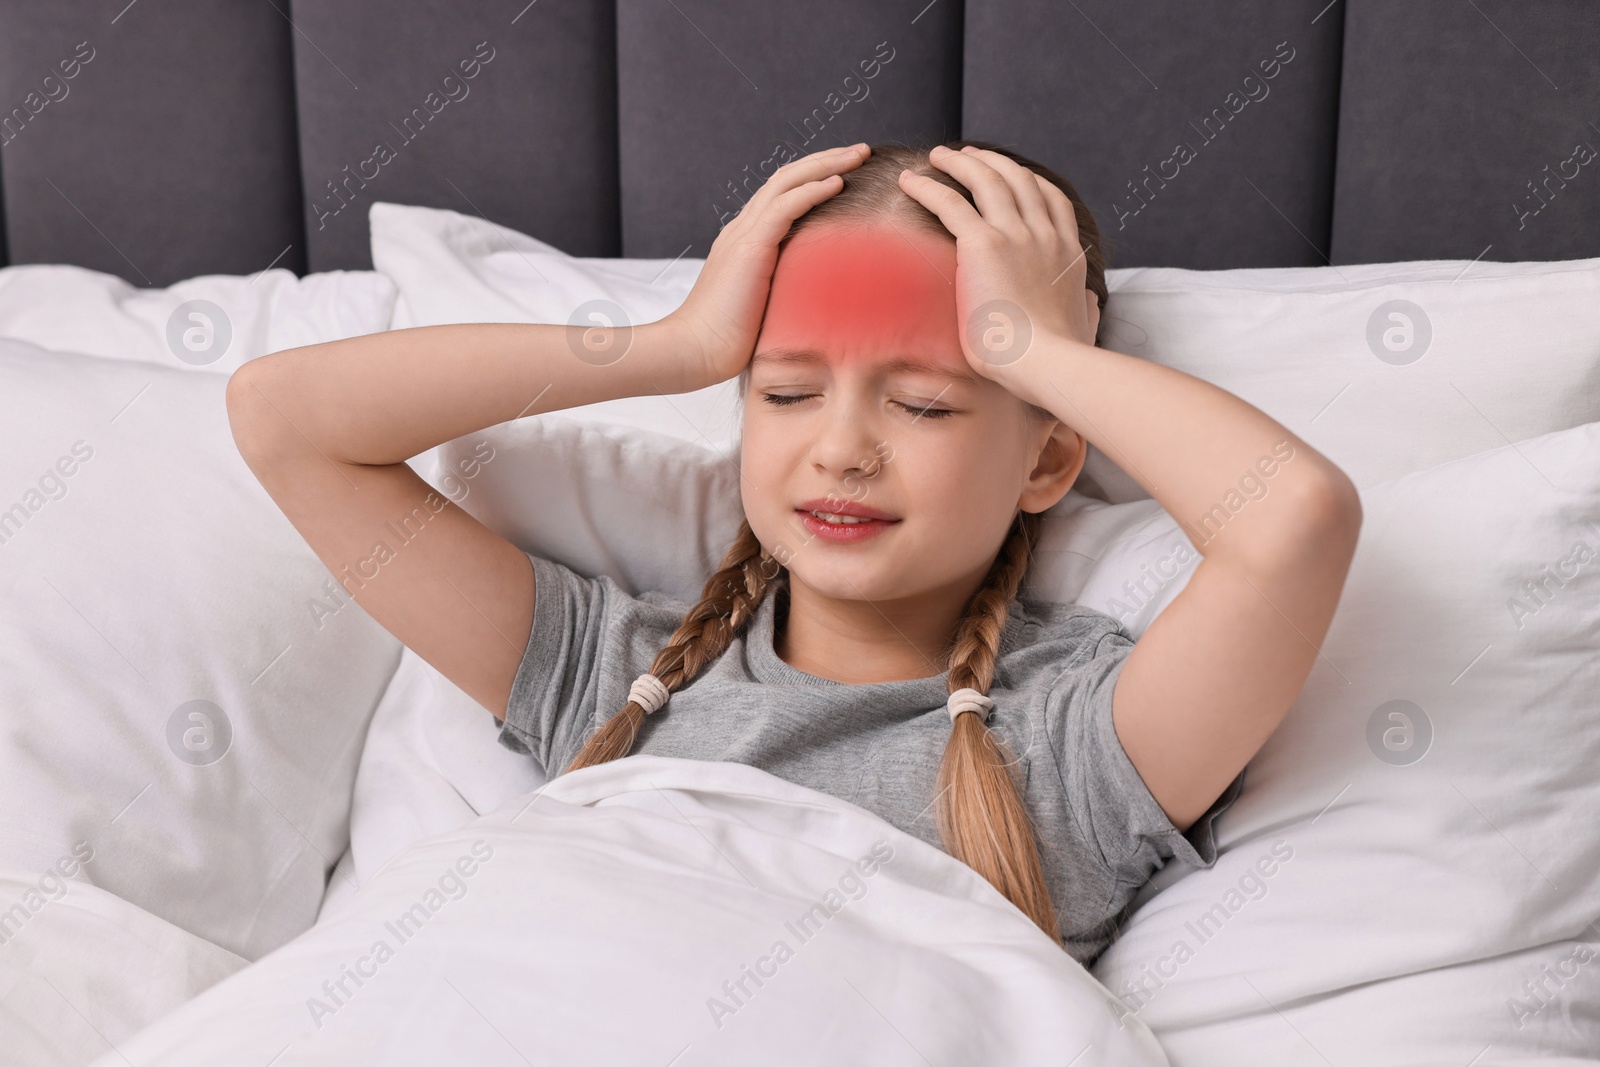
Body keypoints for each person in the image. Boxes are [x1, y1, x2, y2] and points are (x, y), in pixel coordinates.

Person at [225, 140, 1362, 966]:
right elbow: (286, 420)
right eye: (784, 389)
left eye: (923, 404)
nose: (842, 449)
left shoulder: (1068, 747)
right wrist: (673, 344)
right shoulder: (619, 676)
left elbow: (1294, 519)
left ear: (1049, 463)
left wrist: (1026, 346)